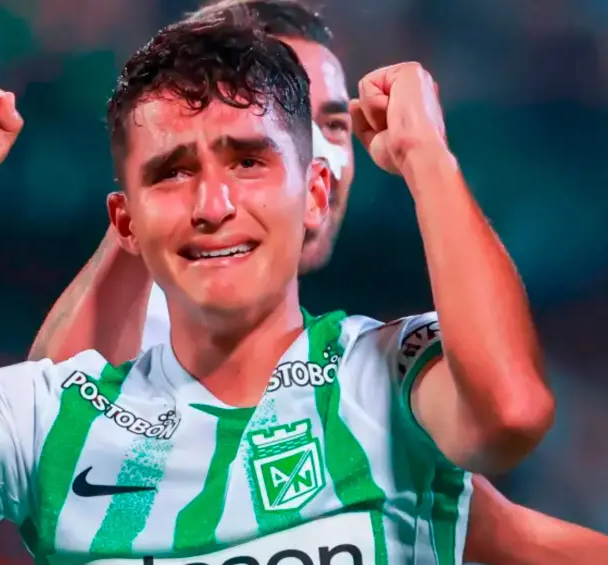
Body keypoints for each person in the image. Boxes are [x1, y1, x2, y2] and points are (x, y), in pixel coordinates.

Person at [0, 16, 552, 565]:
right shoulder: (53, 417)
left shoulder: (384, 373)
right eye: (172, 171)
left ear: (315, 191)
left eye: (248, 161)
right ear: (127, 223)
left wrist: (428, 157)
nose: (212, 203)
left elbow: (510, 414)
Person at [30, 2, 607, 563]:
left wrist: (427, 156)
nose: (324, 153)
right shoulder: (153, 347)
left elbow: (505, 532)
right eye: (290, 119)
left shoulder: (338, 373)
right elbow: (45, 458)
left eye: (334, 122)